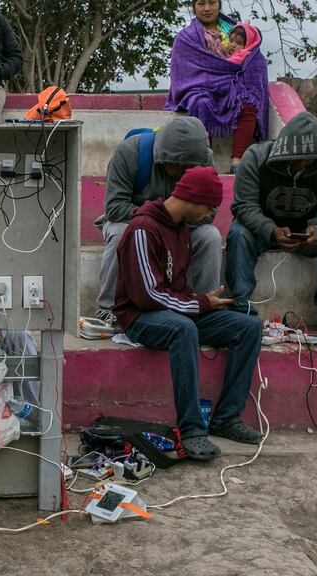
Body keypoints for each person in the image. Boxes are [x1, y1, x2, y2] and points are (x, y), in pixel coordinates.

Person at [114, 166, 263, 460]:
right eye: (209, 207)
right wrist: (200, 303)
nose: (210, 215)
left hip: (175, 310)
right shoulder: (142, 230)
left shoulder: (181, 229)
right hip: (140, 318)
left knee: (248, 327)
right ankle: (192, 429)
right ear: (193, 199)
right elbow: (147, 295)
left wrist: (203, 302)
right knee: (184, 329)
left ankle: (226, 419)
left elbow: (177, 290)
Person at [226, 111, 317, 335]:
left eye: (310, 159)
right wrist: (271, 230)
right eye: (298, 158)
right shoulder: (255, 157)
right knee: (238, 233)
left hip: (306, 235)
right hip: (262, 231)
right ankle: (241, 307)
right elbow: (243, 206)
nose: (304, 163)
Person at [94, 116, 220, 326]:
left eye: (191, 167)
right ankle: (108, 309)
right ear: (164, 158)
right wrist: (158, 219)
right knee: (120, 235)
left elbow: (210, 212)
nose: (184, 173)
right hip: (131, 221)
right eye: (179, 166)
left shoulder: (205, 158)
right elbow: (115, 208)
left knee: (210, 236)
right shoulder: (130, 152)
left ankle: (206, 307)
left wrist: (173, 222)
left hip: (181, 226)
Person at [165, 0, 269, 173]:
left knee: (248, 102)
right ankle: (205, 160)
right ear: (194, 7)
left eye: (212, 2)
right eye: (201, 4)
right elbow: (182, 72)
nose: (207, 8)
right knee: (200, 103)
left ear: (219, 5)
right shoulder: (186, 38)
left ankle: (237, 161)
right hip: (200, 88)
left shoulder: (237, 30)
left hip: (233, 86)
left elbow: (254, 57)